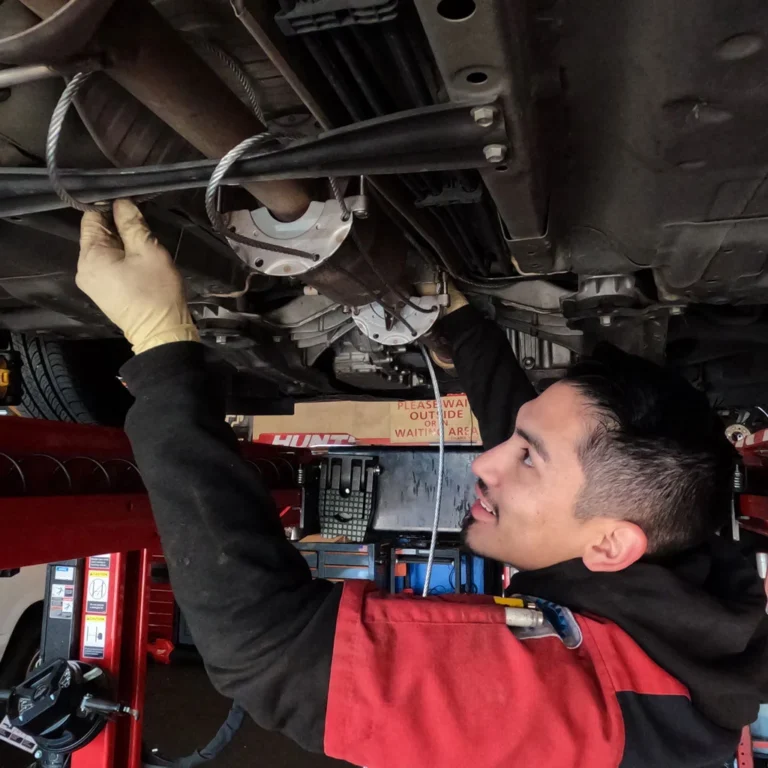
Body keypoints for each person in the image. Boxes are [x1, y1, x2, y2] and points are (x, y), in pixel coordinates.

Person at [77, 200, 768, 768]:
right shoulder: (652, 562)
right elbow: (562, 478)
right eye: (518, 446)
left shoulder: (586, 723)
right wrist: (463, 321)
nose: (482, 463)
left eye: (524, 458)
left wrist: (162, 346)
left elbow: (265, 649)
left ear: (612, 545)